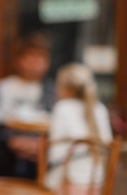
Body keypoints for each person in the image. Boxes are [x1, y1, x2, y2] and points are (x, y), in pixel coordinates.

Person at [0, 31, 57, 178]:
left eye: (41, 57)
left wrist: (37, 145)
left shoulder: (52, 91)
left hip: (40, 156)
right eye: (31, 57)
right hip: (5, 157)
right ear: (19, 59)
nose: (35, 63)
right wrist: (11, 140)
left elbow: (58, 124)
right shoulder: (3, 87)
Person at [45, 63, 113, 194]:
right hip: (97, 183)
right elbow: (107, 144)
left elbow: (54, 155)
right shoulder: (100, 108)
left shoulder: (62, 108)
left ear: (66, 89)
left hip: (68, 184)